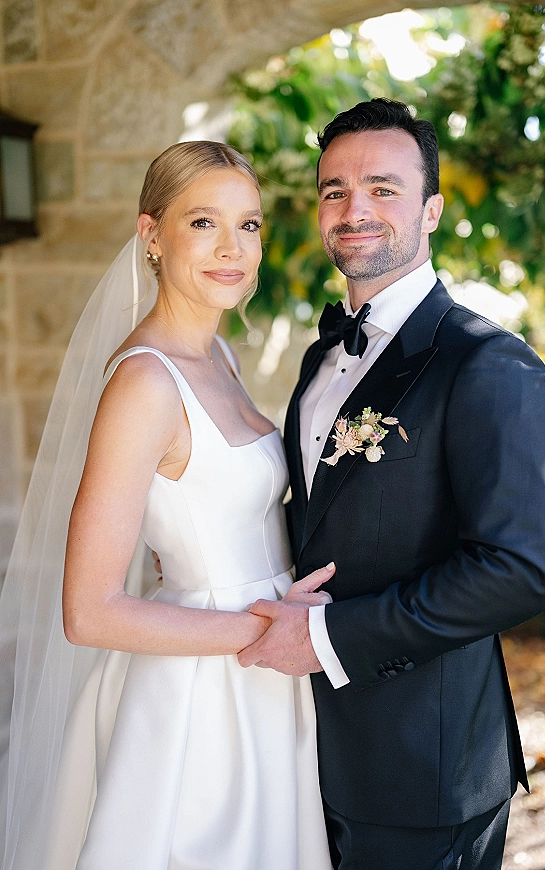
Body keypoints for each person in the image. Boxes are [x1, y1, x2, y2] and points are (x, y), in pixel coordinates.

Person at [238, 98, 545, 869]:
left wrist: (326, 638)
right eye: (334, 191)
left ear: (431, 210)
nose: (355, 210)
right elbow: (325, 522)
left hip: (425, 768)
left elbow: (517, 573)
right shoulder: (322, 362)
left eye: (383, 188)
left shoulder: (491, 364)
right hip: (300, 747)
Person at [0, 141, 334, 870]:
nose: (232, 249)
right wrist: (263, 630)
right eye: (203, 223)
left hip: (265, 671)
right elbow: (89, 612)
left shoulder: (220, 357)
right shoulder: (145, 385)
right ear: (151, 235)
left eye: (247, 226)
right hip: (197, 696)